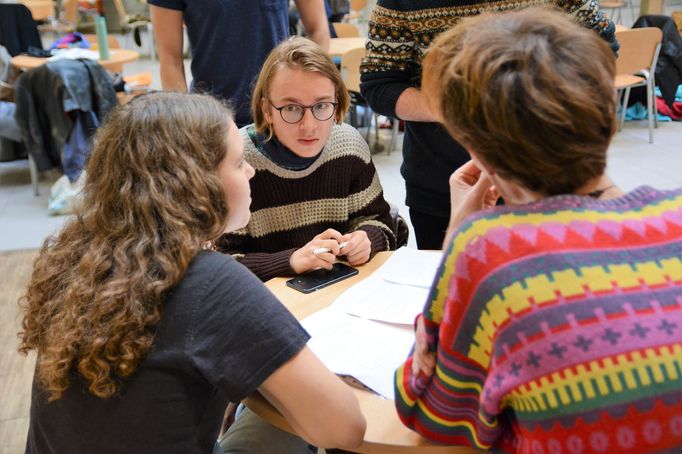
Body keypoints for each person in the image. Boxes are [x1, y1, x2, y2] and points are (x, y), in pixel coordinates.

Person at [395, 8, 682, 453]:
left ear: (479, 154)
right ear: (606, 113)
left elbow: (429, 412)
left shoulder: (489, 251)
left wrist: (456, 239)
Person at [19, 92, 366, 453]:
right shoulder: (208, 282)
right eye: (237, 163)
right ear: (195, 183)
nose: (250, 171)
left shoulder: (83, 254)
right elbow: (345, 429)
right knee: (288, 421)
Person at [360, 0, 619, 250]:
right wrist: (461, 110)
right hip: (441, 182)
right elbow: (380, 85)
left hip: (557, 177)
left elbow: (600, 48)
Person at [216, 37, 396, 282]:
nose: (309, 126)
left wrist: (367, 238)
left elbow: (382, 223)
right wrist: (290, 261)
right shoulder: (238, 161)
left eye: (322, 106)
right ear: (267, 110)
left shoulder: (349, 147)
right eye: (291, 109)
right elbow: (219, 265)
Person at [150, 0, 330, 127]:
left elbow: (318, 30)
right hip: (211, 121)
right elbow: (170, 61)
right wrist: (186, 123)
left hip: (283, 114)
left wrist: (311, 102)